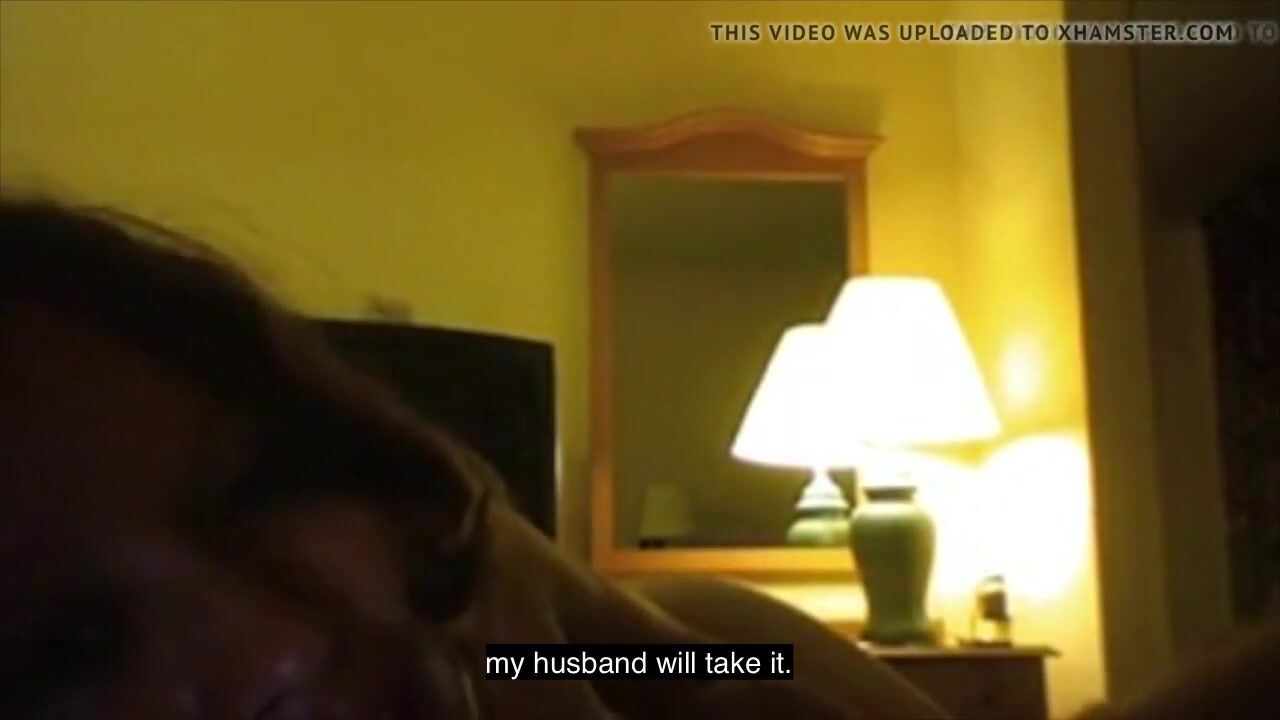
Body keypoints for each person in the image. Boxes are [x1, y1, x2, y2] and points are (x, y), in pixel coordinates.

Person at [3, 196, 1277, 719]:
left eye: (256, 490)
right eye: (71, 643)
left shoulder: (562, 646)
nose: (278, 636)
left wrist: (618, 630)